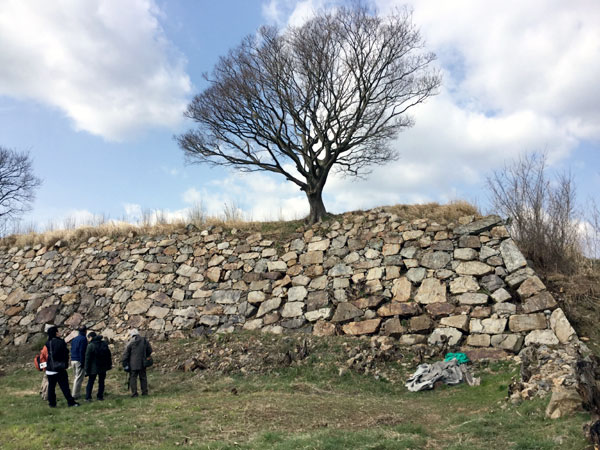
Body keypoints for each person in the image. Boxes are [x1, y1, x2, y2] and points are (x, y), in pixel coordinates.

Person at [44, 326, 79, 408]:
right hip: (59, 368)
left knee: (51, 388)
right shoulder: (60, 342)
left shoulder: (47, 343)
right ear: (56, 333)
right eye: (58, 331)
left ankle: (52, 404)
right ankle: (71, 402)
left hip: (49, 369)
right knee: (65, 387)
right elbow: (64, 353)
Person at [121, 329, 152, 397]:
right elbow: (150, 350)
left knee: (133, 378)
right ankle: (144, 392)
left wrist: (124, 363)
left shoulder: (130, 342)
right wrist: (145, 355)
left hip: (133, 364)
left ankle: (134, 393)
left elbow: (125, 354)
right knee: (143, 377)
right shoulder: (144, 341)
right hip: (142, 363)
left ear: (132, 335)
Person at [84, 332, 112, 402]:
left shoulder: (90, 346)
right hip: (103, 366)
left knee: (90, 382)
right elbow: (108, 355)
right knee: (101, 382)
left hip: (93, 367)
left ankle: (88, 397)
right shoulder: (104, 343)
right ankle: (100, 396)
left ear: (90, 337)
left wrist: (86, 370)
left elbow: (87, 359)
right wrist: (109, 365)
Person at [70, 326, 88, 399]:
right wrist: (83, 362)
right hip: (79, 360)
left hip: (73, 359)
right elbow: (82, 351)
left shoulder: (74, 339)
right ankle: (75, 395)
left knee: (75, 377)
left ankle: (75, 393)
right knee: (78, 378)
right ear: (85, 331)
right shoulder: (83, 339)